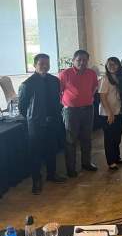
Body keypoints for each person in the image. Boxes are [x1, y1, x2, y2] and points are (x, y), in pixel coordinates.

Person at [18, 54, 66, 194]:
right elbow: (22, 107)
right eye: (41, 63)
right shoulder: (27, 84)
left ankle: (51, 174)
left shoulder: (54, 81)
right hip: (36, 124)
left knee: (52, 149)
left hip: (53, 121)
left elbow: (57, 99)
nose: (45, 66)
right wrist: (35, 117)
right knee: (36, 153)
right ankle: (36, 180)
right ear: (35, 65)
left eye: (47, 63)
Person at [59, 49, 99, 177]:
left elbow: (94, 87)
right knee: (71, 140)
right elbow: (59, 91)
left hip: (88, 109)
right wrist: (66, 103)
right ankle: (71, 168)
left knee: (86, 138)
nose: (82, 62)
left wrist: (87, 97)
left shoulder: (91, 73)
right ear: (73, 61)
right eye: (79, 60)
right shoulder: (65, 74)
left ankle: (86, 163)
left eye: (85, 60)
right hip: (71, 111)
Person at [99, 57, 122, 170]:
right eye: (109, 64)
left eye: (114, 64)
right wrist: (109, 113)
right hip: (107, 113)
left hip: (118, 111)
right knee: (109, 138)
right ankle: (111, 161)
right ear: (106, 66)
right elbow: (102, 97)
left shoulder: (119, 78)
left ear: (119, 65)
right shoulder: (105, 79)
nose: (112, 66)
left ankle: (117, 157)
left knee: (117, 137)